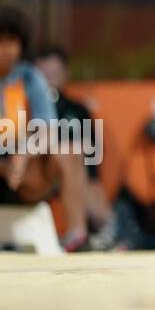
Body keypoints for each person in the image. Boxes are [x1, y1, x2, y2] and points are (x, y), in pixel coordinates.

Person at [34, 43, 114, 251]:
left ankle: (95, 235)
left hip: (73, 174)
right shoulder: (26, 104)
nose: (49, 81)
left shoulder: (78, 110)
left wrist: (90, 184)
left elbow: (91, 161)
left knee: (84, 175)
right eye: (43, 74)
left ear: (66, 74)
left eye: (55, 73)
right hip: (37, 172)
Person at [0, 5, 60, 207]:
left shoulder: (29, 77)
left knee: (69, 154)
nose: (4, 49)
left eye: (10, 41)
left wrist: (24, 154)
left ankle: (75, 235)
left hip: (22, 167)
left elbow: (47, 130)